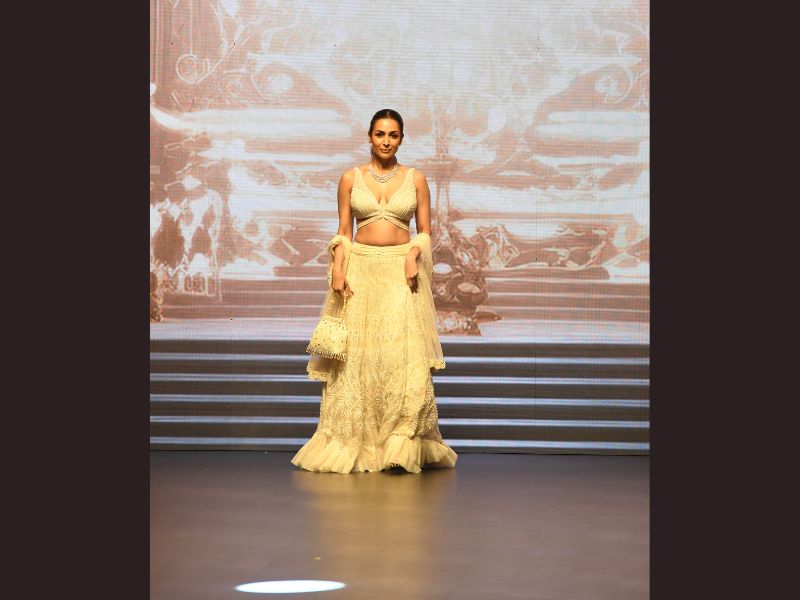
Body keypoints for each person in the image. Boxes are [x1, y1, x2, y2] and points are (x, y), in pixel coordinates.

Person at [292, 109, 458, 474]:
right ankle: (360, 440)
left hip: (401, 273)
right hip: (362, 272)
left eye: (393, 135)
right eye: (380, 134)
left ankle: (401, 440)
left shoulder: (416, 179)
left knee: (403, 355)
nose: (386, 141)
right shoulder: (350, 178)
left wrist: (413, 254)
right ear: (369, 136)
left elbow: (425, 231)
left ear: (401, 139)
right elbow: (343, 231)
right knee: (359, 358)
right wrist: (338, 268)